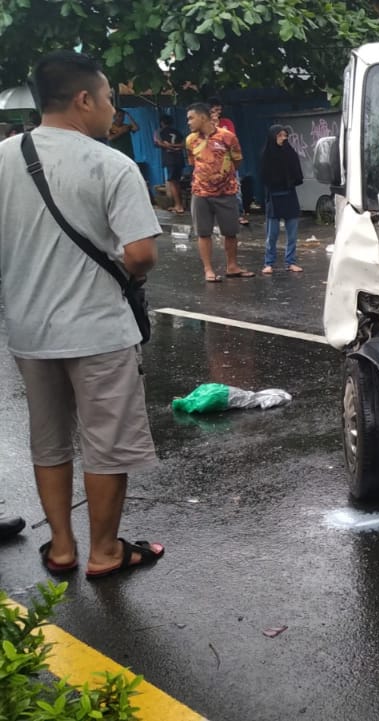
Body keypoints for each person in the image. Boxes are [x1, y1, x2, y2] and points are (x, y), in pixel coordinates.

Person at [0, 50, 165, 578]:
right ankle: (106, 552)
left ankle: (63, 548)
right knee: (106, 445)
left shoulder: (3, 157)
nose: (113, 108)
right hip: (98, 330)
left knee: (48, 441)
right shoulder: (111, 163)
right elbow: (141, 255)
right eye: (110, 97)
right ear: (83, 99)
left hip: (29, 331)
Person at [186, 102, 253, 281]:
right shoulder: (190, 140)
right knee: (203, 232)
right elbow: (193, 163)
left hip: (226, 192)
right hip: (200, 192)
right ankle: (208, 270)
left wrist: (223, 175)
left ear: (203, 117)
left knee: (230, 231)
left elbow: (237, 161)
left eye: (191, 118)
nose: (189, 122)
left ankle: (232, 266)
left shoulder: (228, 137)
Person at [260, 124, 304, 274]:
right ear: (273, 137)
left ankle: (290, 261)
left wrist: (290, 180)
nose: (283, 139)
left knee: (292, 232)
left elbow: (297, 174)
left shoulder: (289, 153)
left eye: (285, 136)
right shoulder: (267, 154)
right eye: (279, 136)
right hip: (274, 196)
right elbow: (265, 176)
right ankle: (268, 263)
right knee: (272, 234)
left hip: (289, 195)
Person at [208, 97, 250, 226]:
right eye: (215, 110)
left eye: (219, 109)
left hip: (228, 162)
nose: (218, 112)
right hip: (212, 164)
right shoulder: (204, 127)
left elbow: (230, 139)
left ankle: (239, 213)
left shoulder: (227, 122)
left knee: (235, 189)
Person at [154, 114, 186, 214]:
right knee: (177, 182)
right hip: (179, 159)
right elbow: (184, 144)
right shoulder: (177, 132)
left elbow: (158, 143)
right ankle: (179, 204)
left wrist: (170, 146)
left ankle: (178, 206)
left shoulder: (159, 132)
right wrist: (175, 147)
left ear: (162, 123)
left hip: (170, 159)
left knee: (172, 182)